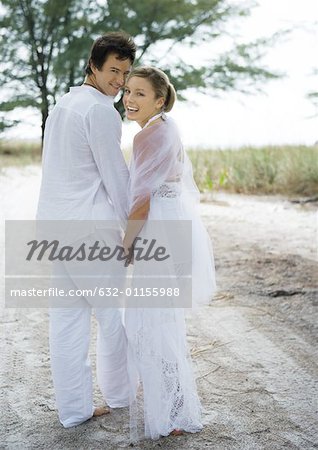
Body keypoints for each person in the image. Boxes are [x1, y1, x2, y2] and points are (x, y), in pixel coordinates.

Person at [36, 32, 136, 428]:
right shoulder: (99, 112)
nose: (120, 81)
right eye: (114, 70)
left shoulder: (62, 104)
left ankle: (74, 410)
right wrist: (133, 233)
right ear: (93, 65)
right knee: (112, 318)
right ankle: (122, 394)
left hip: (55, 228)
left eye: (125, 74)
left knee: (67, 321)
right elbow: (117, 178)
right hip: (88, 232)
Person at [122, 67, 216, 441]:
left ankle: (170, 411)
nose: (129, 99)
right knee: (164, 319)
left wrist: (127, 242)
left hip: (158, 230)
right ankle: (174, 404)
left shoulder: (149, 136)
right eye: (128, 91)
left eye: (140, 94)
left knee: (150, 320)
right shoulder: (167, 128)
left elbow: (142, 200)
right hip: (174, 226)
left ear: (159, 100)